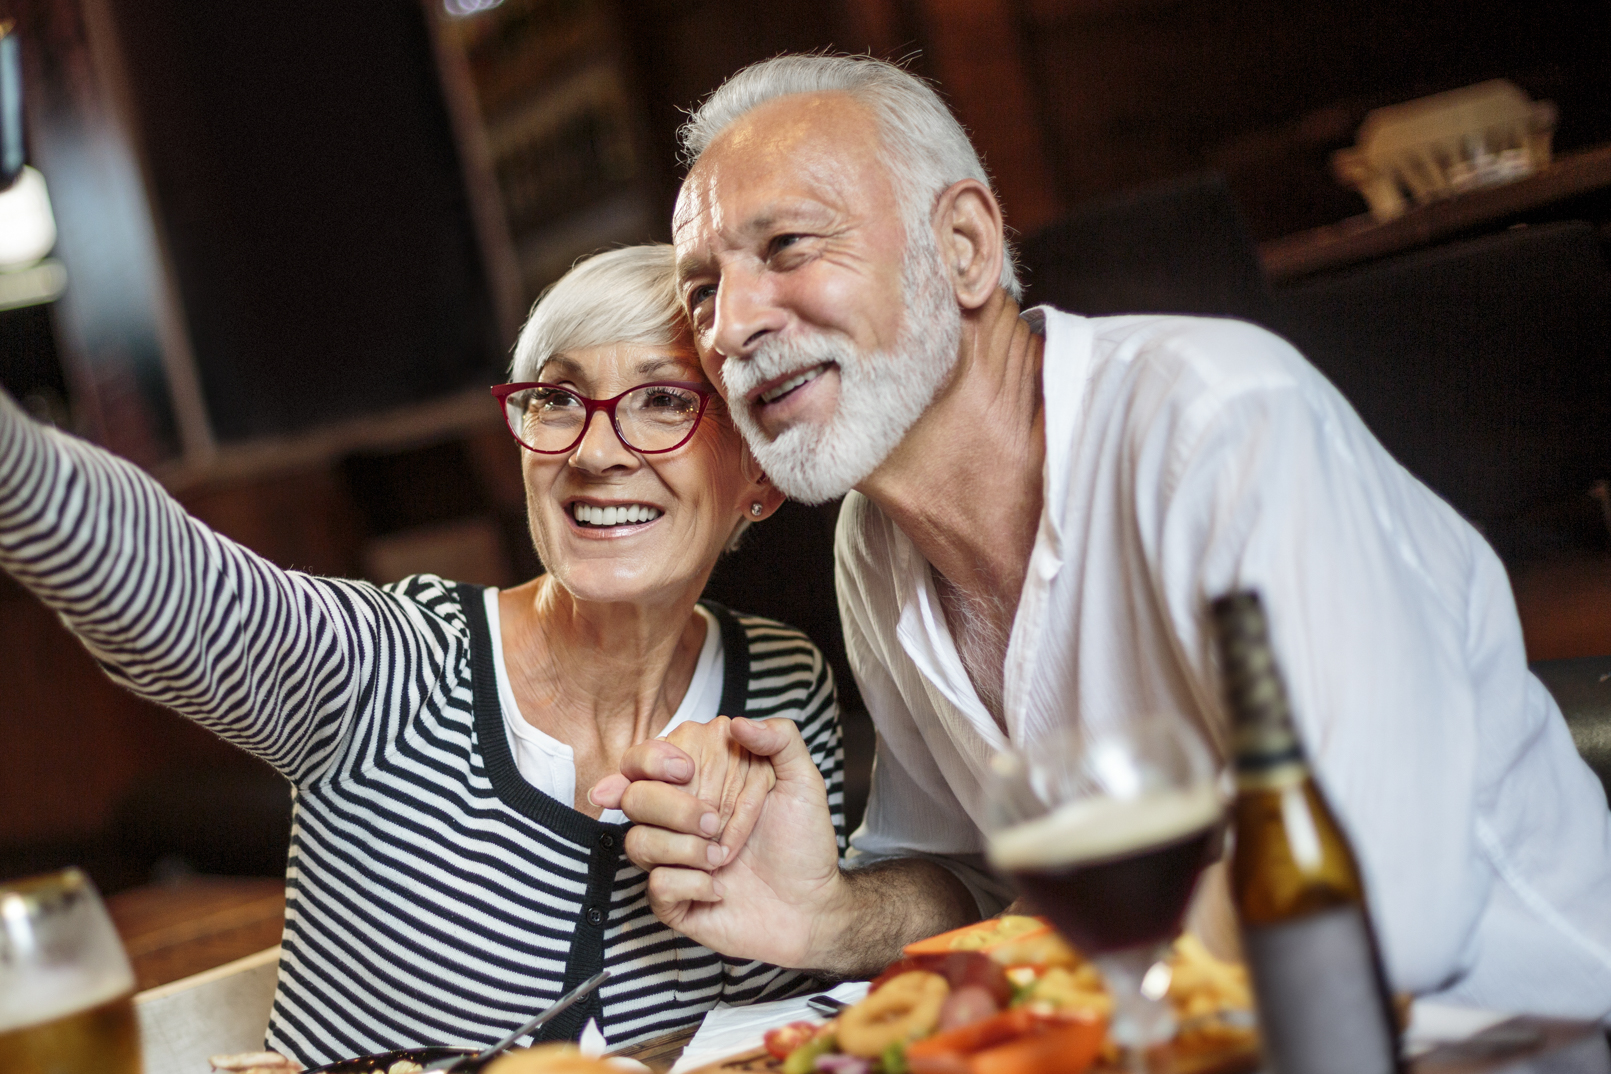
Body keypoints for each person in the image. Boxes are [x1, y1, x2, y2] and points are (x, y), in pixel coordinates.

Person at [0, 66, 846, 1063]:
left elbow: (837, 984)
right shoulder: (392, 671)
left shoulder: (785, 693)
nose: (595, 450)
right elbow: (163, 582)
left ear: (755, 472)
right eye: (556, 399)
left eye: (660, 402)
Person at [599, 54, 1611, 1017]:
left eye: (787, 247)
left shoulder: (1221, 426)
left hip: (1490, 1031)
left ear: (963, 248)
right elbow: (988, 883)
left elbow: (1372, 909)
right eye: (701, 290)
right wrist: (829, 913)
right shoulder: (875, 541)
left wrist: (1044, 1003)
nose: (728, 326)